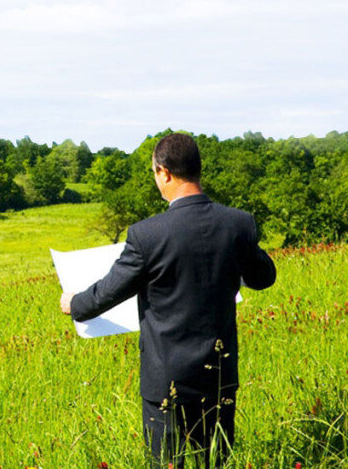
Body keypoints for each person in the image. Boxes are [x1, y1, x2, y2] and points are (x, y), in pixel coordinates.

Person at [59, 133, 276, 467]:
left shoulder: (147, 235)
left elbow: (109, 291)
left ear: (164, 173)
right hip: (219, 376)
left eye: (154, 175)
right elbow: (264, 277)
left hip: (166, 382)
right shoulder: (238, 224)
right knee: (216, 463)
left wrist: (75, 304)